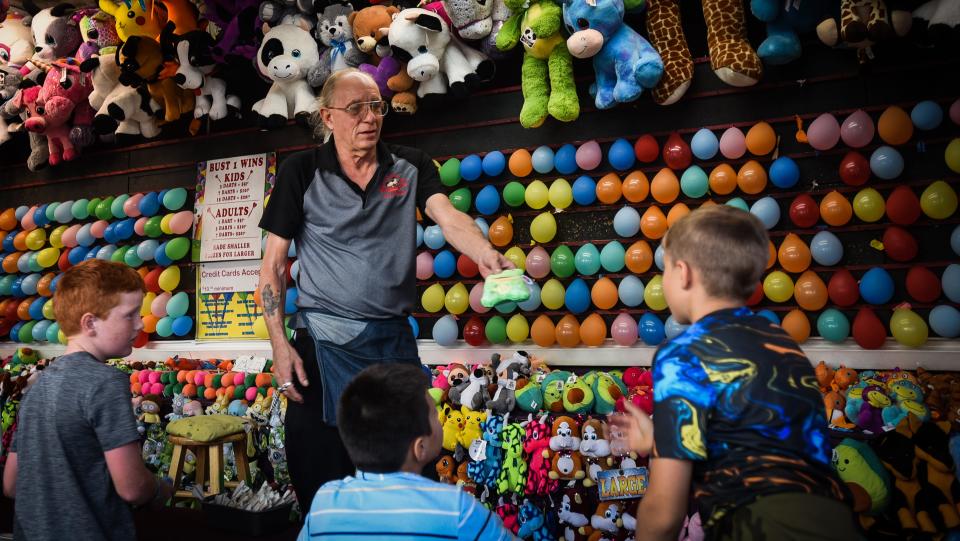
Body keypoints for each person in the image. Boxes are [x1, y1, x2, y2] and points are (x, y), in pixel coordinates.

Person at [258, 68, 513, 510]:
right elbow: (273, 267)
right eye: (355, 108)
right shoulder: (300, 172)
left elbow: (448, 217)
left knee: (412, 463)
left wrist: (486, 254)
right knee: (318, 470)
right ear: (328, 116)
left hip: (392, 341)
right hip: (321, 345)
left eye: (376, 105)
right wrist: (279, 345)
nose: (369, 117)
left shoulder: (410, 164)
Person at [609, 206, 856, 541]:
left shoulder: (684, 354)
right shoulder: (785, 344)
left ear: (683, 274)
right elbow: (760, 448)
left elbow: (665, 511)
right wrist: (659, 440)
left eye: (665, 269)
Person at [2, 259, 173, 541]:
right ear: (90, 323)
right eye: (130, 315)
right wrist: (159, 489)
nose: (140, 323)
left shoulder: (37, 387)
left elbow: (11, 484)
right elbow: (131, 487)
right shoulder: (105, 382)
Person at [297, 363, 516, 541]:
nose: (440, 421)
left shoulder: (325, 502)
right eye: (434, 414)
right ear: (420, 448)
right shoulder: (455, 508)